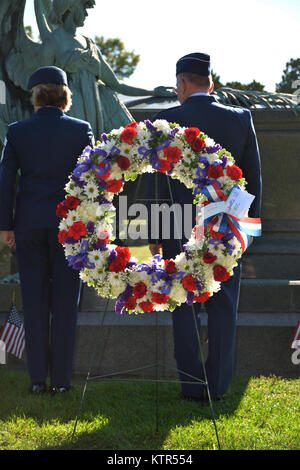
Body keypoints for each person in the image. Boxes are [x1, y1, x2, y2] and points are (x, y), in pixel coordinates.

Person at [145, 52, 262, 400]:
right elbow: (253, 180)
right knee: (224, 304)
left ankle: (192, 384)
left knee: (183, 302)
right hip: (226, 225)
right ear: (209, 83)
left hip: (177, 223)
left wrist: (155, 232)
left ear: (181, 83)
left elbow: (157, 183)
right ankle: (219, 385)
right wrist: (249, 231)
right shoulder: (241, 119)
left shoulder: (165, 120)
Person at [0, 66, 94, 394]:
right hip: (70, 228)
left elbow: (6, 182)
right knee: (66, 304)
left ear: (36, 96)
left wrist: (5, 226)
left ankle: (38, 380)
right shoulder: (82, 130)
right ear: (65, 96)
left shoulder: (17, 131)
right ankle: (62, 383)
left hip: (28, 226)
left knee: (35, 302)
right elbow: (91, 183)